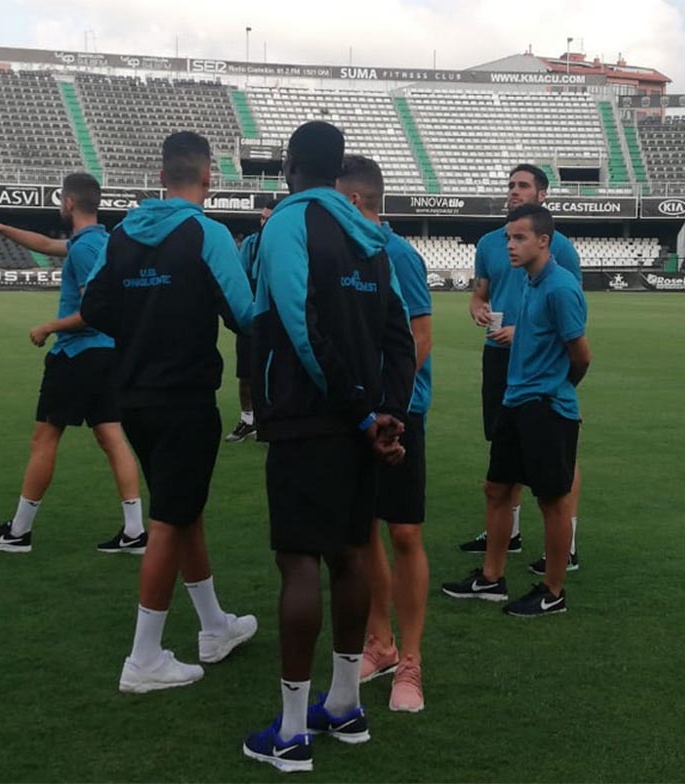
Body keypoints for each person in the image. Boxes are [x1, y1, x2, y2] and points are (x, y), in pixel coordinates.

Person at [242, 122, 416, 773]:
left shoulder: (288, 223)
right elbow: (398, 334)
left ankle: (291, 732)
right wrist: (386, 413)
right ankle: (343, 706)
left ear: (290, 166)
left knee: (298, 565)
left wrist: (359, 410)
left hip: (306, 418)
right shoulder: (370, 234)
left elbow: (297, 322)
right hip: (360, 421)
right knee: (349, 557)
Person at [78, 132, 258, 693]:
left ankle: (213, 626)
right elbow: (245, 314)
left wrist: (142, 336)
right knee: (168, 523)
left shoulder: (125, 231)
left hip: (132, 395)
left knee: (183, 511)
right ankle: (144, 660)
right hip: (184, 398)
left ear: (161, 177)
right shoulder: (208, 233)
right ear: (208, 178)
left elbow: (95, 306)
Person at [0, 173, 146, 555]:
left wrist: (48, 326)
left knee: (45, 438)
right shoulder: (101, 241)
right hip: (107, 353)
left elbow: (93, 310)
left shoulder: (84, 249)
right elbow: (46, 243)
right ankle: (134, 531)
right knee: (112, 437)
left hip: (78, 354)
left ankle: (19, 531)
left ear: (68, 203)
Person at [441, 204, 590, 617]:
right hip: (515, 398)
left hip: (545, 405)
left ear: (544, 240)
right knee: (497, 489)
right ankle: (491, 578)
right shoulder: (528, 281)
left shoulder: (560, 287)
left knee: (552, 501)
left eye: (519, 237)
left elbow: (581, 355)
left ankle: (553, 591)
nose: (509, 245)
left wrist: (554, 391)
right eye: (508, 237)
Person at [336, 155, 432, 714]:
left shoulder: (398, 254)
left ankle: (412, 661)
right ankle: (382, 642)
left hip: (399, 413)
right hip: (357, 415)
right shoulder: (343, 254)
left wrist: (389, 407)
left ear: (352, 202)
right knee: (362, 530)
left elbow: (421, 338)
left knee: (404, 533)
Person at [225, 198, 275, 443]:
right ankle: (248, 420)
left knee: (273, 373)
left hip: (276, 317)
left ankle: (271, 420)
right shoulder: (250, 245)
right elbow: (240, 277)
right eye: (262, 218)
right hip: (252, 316)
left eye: (268, 218)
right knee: (245, 373)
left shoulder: (286, 244)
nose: (264, 222)